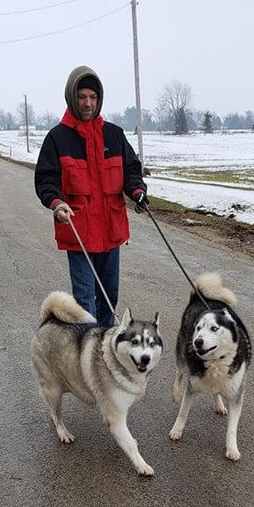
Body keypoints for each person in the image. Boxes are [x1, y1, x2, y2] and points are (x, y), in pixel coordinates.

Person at [34, 65, 149, 327]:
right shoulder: (57, 139)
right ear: (72, 98)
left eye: (93, 97)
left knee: (109, 298)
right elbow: (46, 180)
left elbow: (131, 170)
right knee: (85, 303)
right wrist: (57, 203)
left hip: (111, 232)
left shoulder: (114, 135)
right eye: (82, 97)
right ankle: (87, 358)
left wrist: (137, 191)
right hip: (78, 233)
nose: (88, 103)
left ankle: (104, 353)